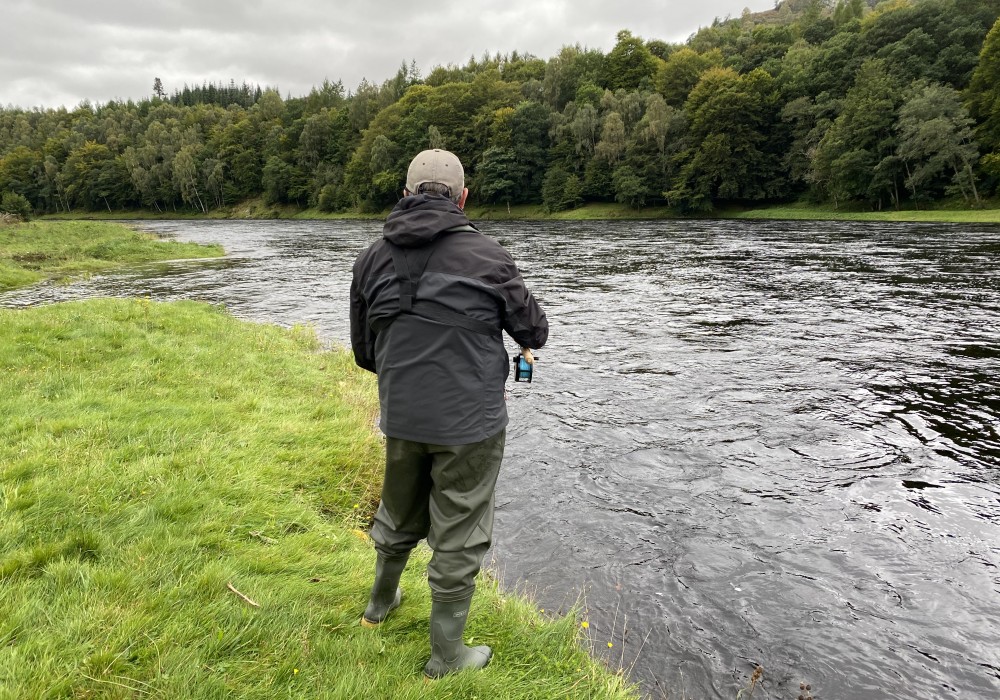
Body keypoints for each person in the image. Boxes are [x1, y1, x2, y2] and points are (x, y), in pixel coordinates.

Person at [349, 148, 548, 678]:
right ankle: (447, 657)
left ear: (406, 192)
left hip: (401, 415)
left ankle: (379, 606)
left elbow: (363, 353)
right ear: (463, 197)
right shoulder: (490, 256)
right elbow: (534, 332)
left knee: (397, 510)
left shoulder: (369, 259)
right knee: (459, 530)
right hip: (471, 422)